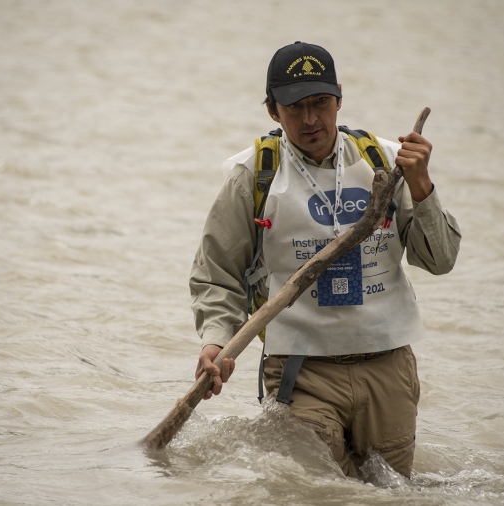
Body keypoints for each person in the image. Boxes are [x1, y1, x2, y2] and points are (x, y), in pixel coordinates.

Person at [189, 41, 461, 479]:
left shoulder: (390, 162)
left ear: (339, 99)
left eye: (320, 102)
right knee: (313, 491)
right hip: (301, 371)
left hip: (387, 365)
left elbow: (440, 260)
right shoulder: (253, 176)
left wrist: (423, 184)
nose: (311, 119)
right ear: (273, 111)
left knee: (390, 492)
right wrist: (215, 344)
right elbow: (217, 275)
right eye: (295, 107)